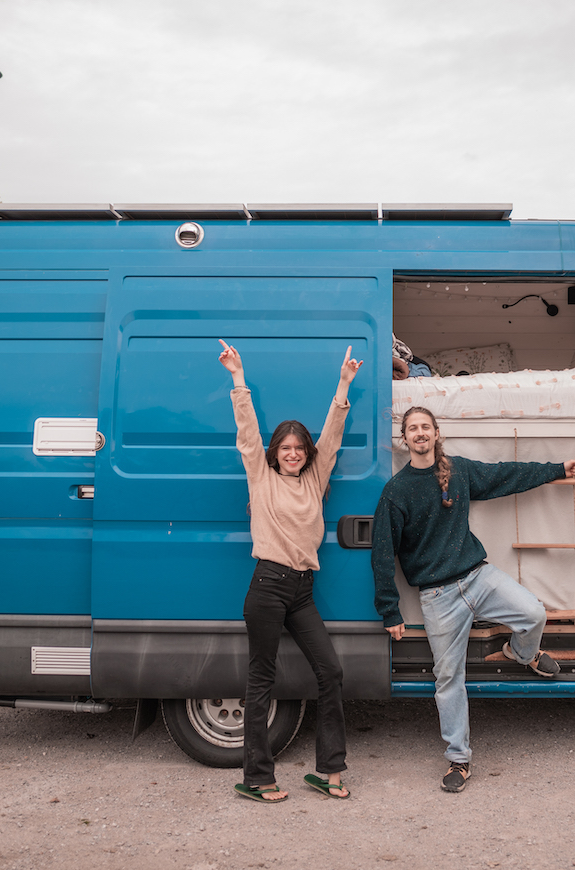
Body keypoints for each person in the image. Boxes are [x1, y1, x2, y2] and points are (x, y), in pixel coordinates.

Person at [370, 405, 575, 793]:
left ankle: (522, 654)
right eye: (412, 429)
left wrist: (556, 469)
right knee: (449, 677)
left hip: (478, 576)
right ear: (405, 440)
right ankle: (458, 758)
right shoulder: (396, 491)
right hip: (437, 596)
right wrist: (390, 609)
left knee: (533, 613)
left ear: (437, 433)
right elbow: (383, 554)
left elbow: (506, 474)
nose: (420, 433)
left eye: (425, 427)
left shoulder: (458, 471)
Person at [219, 339, 360, 802]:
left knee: (331, 672)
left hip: (302, 590)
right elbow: (247, 432)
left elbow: (333, 436)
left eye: (300, 447)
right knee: (261, 681)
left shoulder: (316, 480)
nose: (294, 453)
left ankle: (329, 770)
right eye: (286, 447)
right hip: (267, 587)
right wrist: (238, 379)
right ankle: (257, 777)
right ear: (275, 451)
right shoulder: (260, 477)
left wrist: (343, 385)